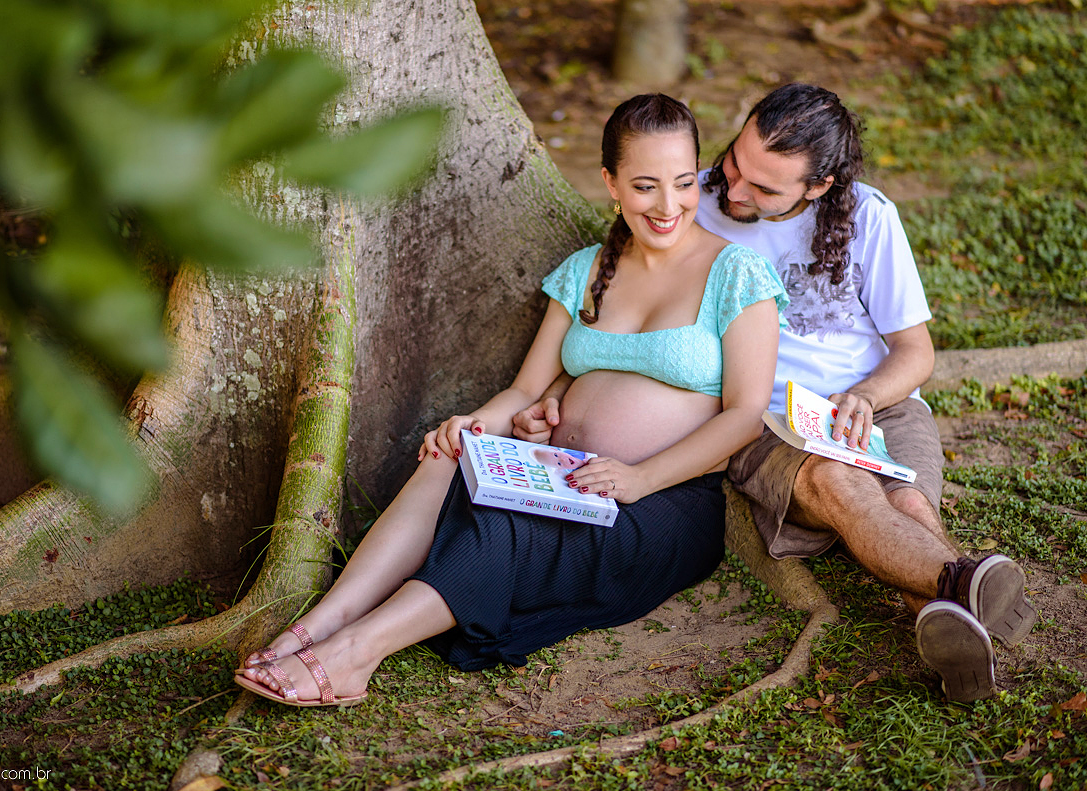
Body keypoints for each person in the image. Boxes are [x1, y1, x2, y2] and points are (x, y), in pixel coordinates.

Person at [233, 93, 788, 707]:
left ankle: (355, 655)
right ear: (610, 183)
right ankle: (318, 626)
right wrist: (477, 423)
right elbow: (525, 389)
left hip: (659, 503)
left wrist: (639, 477)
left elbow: (743, 414)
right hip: (560, 476)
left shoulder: (736, 274)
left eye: (684, 183)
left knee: (501, 527)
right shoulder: (586, 270)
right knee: (449, 459)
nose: (667, 206)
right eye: (645, 185)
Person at [513, 84, 1037, 704]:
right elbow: (616, 303)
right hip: (768, 414)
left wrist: (867, 395)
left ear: (818, 187)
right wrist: (564, 386)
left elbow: (915, 351)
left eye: (764, 189)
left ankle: (951, 615)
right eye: (736, 162)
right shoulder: (684, 196)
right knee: (840, 485)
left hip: (878, 402)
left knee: (911, 503)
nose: (732, 192)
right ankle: (965, 580)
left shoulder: (870, 217)